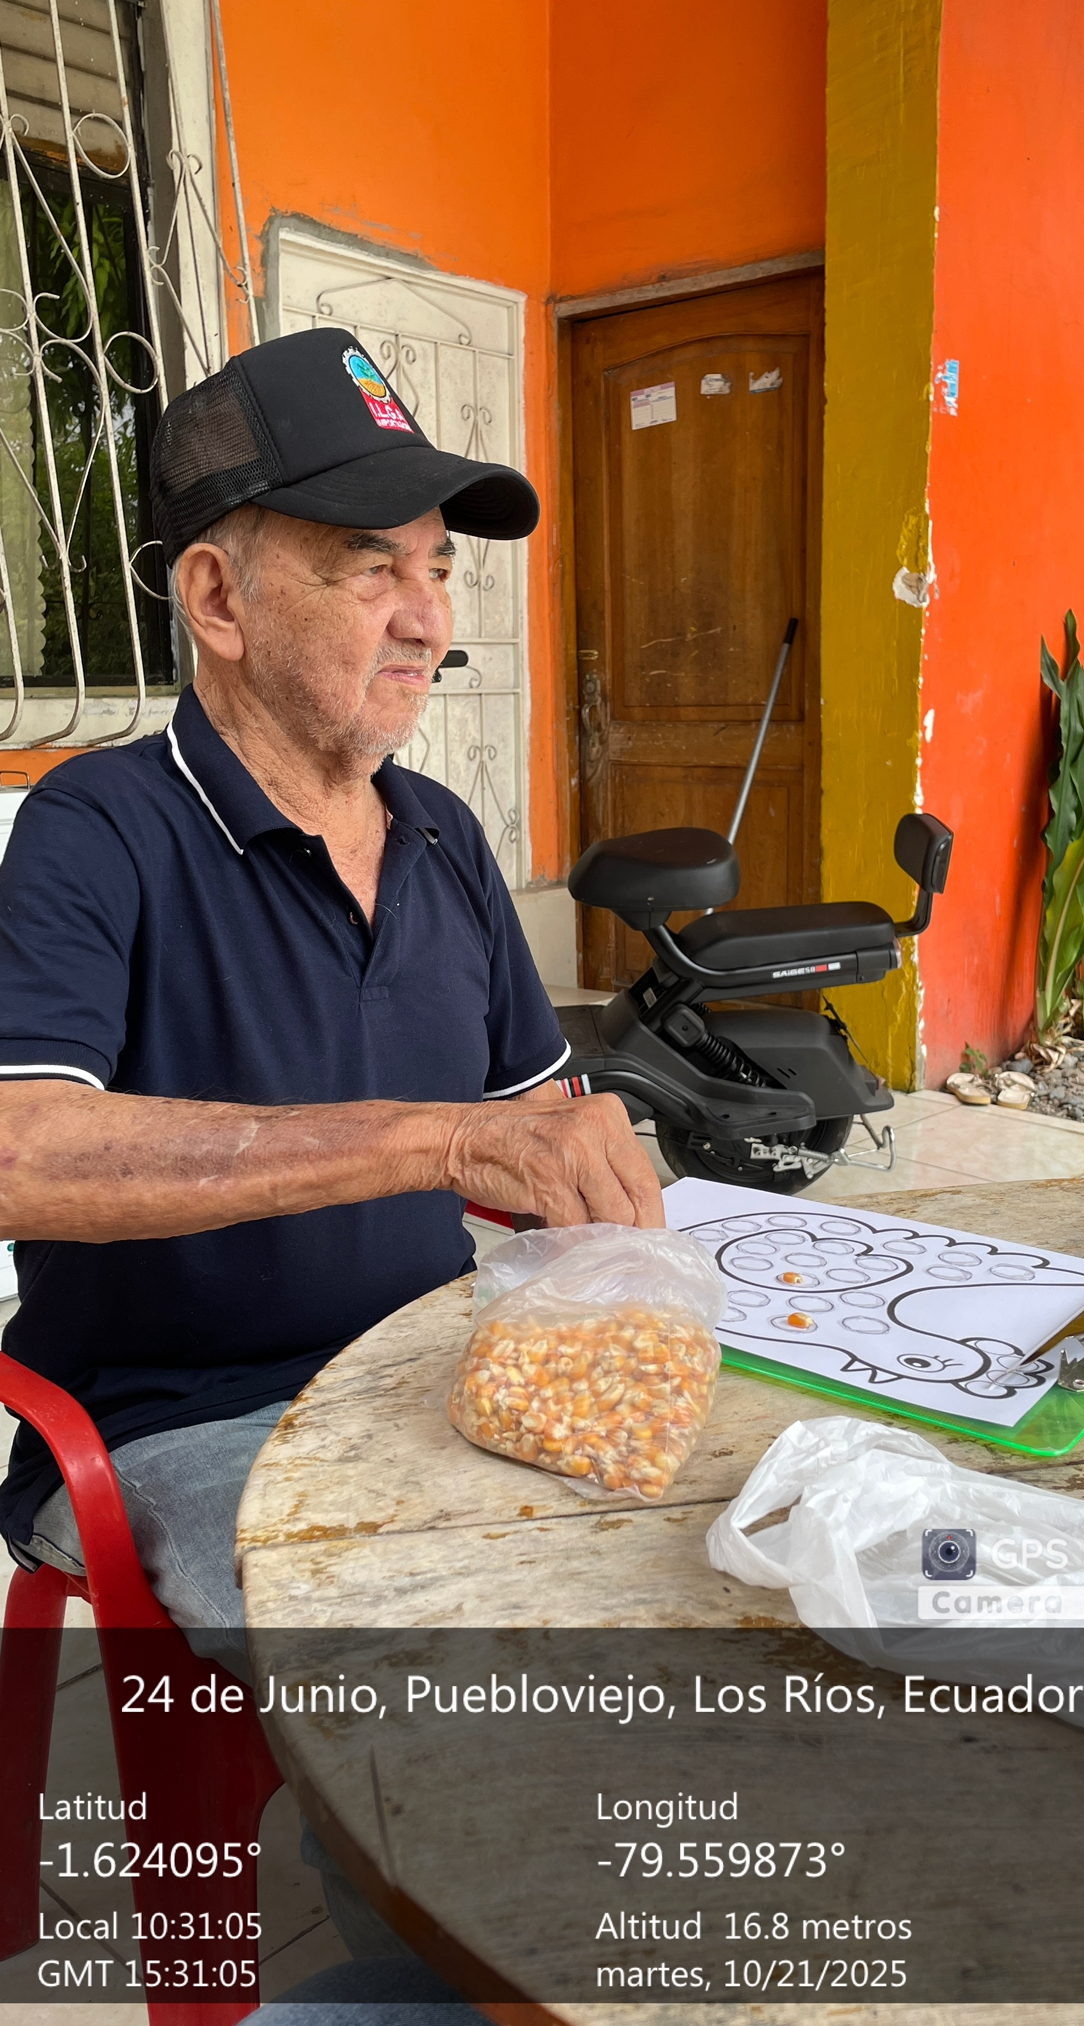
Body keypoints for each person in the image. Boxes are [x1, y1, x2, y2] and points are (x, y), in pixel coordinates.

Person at [0, 326, 663, 1657]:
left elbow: (532, 1124)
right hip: (189, 1415)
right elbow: (18, 1152)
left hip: (433, 1364)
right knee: (441, 1668)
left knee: (686, 1553)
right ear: (219, 600)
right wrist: (437, 1139)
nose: (428, 618)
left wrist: (602, 1208)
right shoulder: (100, 826)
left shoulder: (441, 833)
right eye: (372, 569)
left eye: (437, 568)